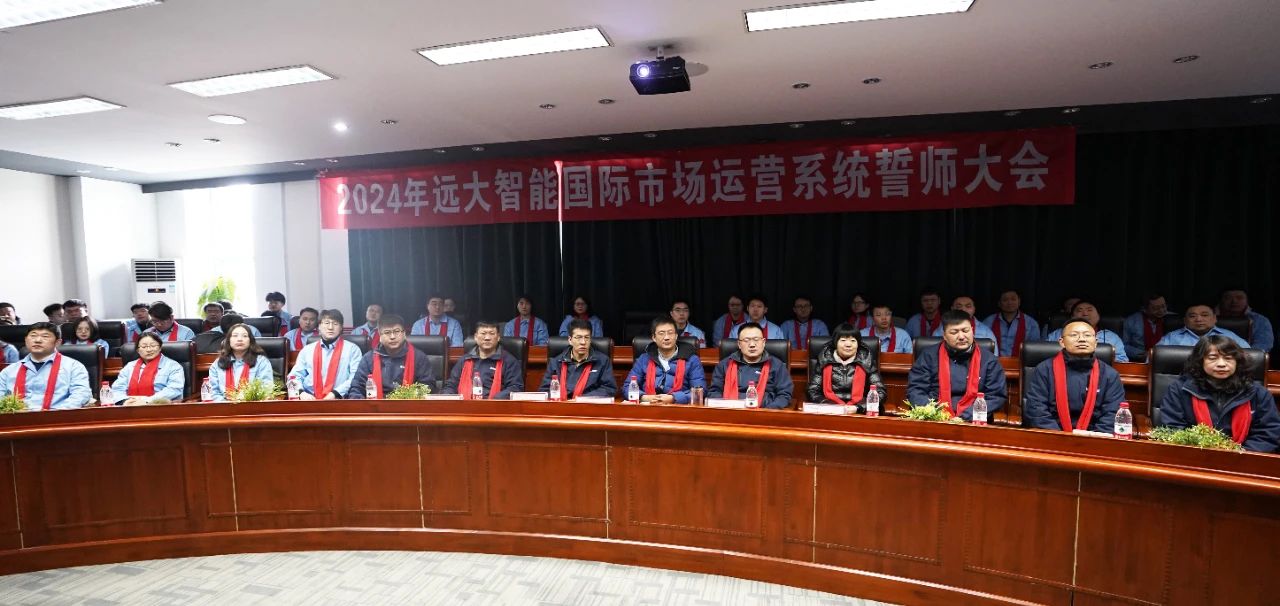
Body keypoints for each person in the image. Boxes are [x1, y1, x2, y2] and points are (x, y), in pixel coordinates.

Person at [1157, 335, 1280, 452]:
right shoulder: (1180, 389)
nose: (1221, 364)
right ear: (1200, 361)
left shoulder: (1257, 393)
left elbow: (1268, 432)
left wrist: (1239, 455)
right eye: (1213, 358)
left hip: (1245, 457)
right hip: (1193, 456)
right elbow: (1172, 428)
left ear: (1237, 362)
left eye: (1228, 358)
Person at [1022, 318, 1126, 433]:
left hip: (1095, 438)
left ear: (1096, 342)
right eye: (1074, 335)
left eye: (1087, 335)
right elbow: (1036, 409)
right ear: (1062, 342)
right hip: (1052, 435)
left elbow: (1112, 414)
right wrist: (1060, 437)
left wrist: (1093, 439)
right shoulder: (1044, 369)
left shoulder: (1110, 375)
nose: (1081, 339)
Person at [907, 310, 1007, 421]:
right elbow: (916, 390)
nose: (961, 336)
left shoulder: (989, 360)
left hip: (974, 420)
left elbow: (996, 396)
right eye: (954, 332)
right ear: (944, 335)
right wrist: (934, 414)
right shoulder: (929, 356)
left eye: (965, 331)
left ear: (972, 331)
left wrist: (964, 418)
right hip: (935, 419)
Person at [0, 323, 92, 410]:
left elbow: (81, 395)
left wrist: (54, 415)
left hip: (57, 418)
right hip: (15, 419)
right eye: (33, 336)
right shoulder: (9, 371)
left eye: (45, 336)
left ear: (57, 342)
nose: (37, 340)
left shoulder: (74, 367)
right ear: (26, 340)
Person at [348, 314, 436, 399]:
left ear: (404, 334)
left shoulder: (419, 357)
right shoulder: (368, 358)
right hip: (376, 406)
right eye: (387, 332)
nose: (392, 337)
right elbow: (357, 388)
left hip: (408, 405)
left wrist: (405, 397)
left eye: (397, 331)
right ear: (380, 336)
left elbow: (428, 386)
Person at [709, 322, 793, 409]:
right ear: (739, 344)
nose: (752, 345)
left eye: (756, 339)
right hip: (730, 412)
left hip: (765, 412)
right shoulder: (724, 365)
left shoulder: (777, 365)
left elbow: (784, 394)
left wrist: (767, 412)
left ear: (763, 342)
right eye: (746, 340)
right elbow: (714, 392)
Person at [625, 316, 705, 404]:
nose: (666, 337)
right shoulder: (644, 359)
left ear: (676, 336)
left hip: (678, 407)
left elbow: (700, 390)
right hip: (648, 406)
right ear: (654, 337)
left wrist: (674, 398)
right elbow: (627, 387)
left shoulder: (692, 360)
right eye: (661, 333)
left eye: (670, 333)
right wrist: (643, 397)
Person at [806, 323, 885, 411]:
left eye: (853, 340)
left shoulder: (866, 360)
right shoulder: (824, 359)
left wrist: (858, 408)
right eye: (843, 340)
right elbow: (812, 391)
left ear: (858, 344)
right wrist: (831, 406)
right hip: (830, 410)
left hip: (859, 411)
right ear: (835, 343)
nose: (848, 344)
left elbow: (880, 392)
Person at [288, 309, 363, 400]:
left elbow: (355, 378)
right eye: (326, 323)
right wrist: (301, 393)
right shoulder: (307, 350)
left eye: (335, 324)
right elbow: (294, 376)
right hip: (309, 399)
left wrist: (336, 393)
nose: (330, 327)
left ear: (341, 328)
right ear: (319, 326)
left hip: (340, 400)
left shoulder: (352, 349)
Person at [540, 319, 616, 400]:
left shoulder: (602, 361)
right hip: (560, 404)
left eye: (587, 338)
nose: (583, 342)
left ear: (590, 340)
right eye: (578, 338)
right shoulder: (556, 362)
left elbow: (609, 389)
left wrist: (582, 399)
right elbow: (545, 390)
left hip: (588, 405)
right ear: (570, 340)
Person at [444, 321, 523, 399]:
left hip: (495, 405)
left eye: (492, 334)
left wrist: (494, 400)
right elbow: (451, 385)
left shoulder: (509, 361)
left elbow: (515, 387)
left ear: (498, 337)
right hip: (465, 404)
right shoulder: (464, 360)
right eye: (483, 333)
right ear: (475, 337)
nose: (487, 338)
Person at [109, 332, 185, 405]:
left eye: (153, 345)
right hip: (130, 407)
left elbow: (174, 389)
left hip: (162, 406)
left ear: (160, 347)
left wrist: (147, 401)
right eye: (144, 347)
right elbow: (117, 389)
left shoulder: (173, 366)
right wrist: (125, 401)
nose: (149, 350)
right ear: (138, 350)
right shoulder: (129, 367)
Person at [206, 323, 275, 401]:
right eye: (235, 336)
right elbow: (213, 392)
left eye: (244, 336)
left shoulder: (261, 362)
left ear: (250, 340)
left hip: (253, 405)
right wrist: (228, 405)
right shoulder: (218, 363)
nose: (239, 339)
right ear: (228, 340)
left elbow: (266, 389)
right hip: (224, 406)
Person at [1043, 301, 1130, 362]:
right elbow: (1044, 356)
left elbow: (1122, 361)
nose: (1085, 314)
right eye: (1079, 310)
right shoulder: (1056, 334)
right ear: (1072, 317)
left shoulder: (1112, 337)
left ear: (1098, 315)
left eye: (1089, 310)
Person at [1156, 303, 1250, 349]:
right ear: (1185, 320)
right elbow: (1152, 360)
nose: (1198, 319)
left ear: (1214, 319)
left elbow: (1252, 357)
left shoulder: (1230, 336)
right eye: (1192, 316)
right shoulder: (1171, 338)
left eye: (1204, 315)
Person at [982, 289, 1042, 356]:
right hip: (994, 361)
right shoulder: (988, 322)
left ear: (1019, 302)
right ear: (999, 303)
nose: (1009, 303)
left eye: (1013, 299)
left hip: (1022, 361)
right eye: (1005, 300)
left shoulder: (1031, 323)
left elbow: (1034, 349)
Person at [1217, 288, 1273, 352]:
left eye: (1239, 298)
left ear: (1247, 301)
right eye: (1228, 298)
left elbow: (1263, 344)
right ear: (1221, 301)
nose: (1234, 301)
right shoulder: (1210, 318)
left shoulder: (1260, 320)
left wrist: (1242, 354)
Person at [1122, 294, 1173, 362]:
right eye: (1156, 308)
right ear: (1144, 309)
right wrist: (1143, 354)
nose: (1161, 310)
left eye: (1163, 306)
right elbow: (1124, 346)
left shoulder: (1173, 320)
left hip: (1166, 358)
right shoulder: (1131, 321)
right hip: (1140, 359)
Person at [931, 296, 997, 341]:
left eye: (968, 306)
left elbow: (993, 355)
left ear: (974, 309)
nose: (963, 309)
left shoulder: (986, 332)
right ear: (952, 309)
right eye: (959, 306)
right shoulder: (940, 330)